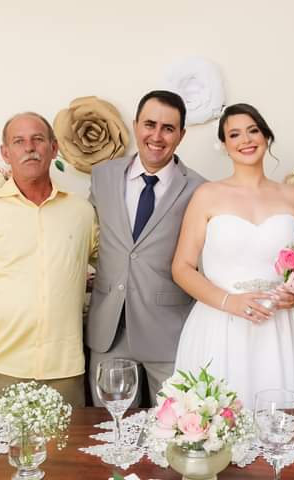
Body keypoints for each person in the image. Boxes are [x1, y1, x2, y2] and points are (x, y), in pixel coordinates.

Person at [171, 103, 294, 409]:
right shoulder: (206, 195)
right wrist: (230, 302)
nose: (246, 140)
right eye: (235, 134)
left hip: (280, 326)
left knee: (280, 419)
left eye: (253, 131)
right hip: (221, 323)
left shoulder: (292, 196)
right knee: (219, 419)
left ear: (266, 136)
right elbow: (182, 268)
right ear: (224, 145)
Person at [0, 112, 98, 407]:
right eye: (19, 141)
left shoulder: (81, 212)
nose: (29, 147)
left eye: (38, 139)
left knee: (67, 441)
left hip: (64, 372)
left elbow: (116, 266)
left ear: (53, 148)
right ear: (5, 153)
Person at [86, 90, 206, 407]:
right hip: (109, 330)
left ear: (181, 135)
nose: (156, 136)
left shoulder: (200, 189)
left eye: (168, 128)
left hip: (169, 333)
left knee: (177, 426)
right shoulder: (102, 176)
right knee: (110, 426)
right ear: (136, 124)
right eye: (149, 124)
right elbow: (89, 237)